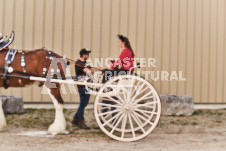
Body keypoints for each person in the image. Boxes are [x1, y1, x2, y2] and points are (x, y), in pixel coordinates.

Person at [72, 48, 92, 129]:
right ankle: (80, 120)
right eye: (87, 54)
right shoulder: (78, 63)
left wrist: (89, 70)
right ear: (83, 54)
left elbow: (90, 71)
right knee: (83, 103)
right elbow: (88, 71)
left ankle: (76, 118)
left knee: (84, 102)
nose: (88, 55)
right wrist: (88, 70)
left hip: (86, 84)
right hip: (82, 85)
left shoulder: (85, 63)